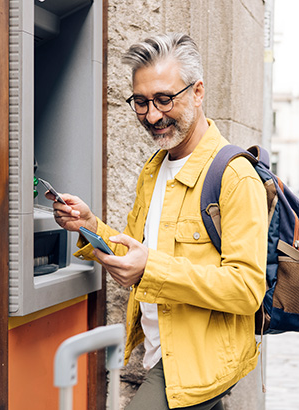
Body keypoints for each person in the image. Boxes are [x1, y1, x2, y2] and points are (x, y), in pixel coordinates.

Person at [46, 33, 268, 410]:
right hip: (160, 351)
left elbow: (247, 289)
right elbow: (133, 250)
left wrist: (151, 267)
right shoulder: (154, 169)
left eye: (165, 99)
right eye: (141, 102)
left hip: (194, 365)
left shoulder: (235, 176)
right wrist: (88, 224)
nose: (152, 115)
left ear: (198, 92)